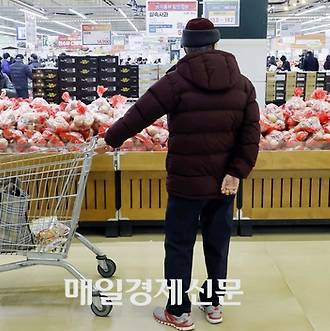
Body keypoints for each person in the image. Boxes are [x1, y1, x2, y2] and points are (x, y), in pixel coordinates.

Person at [103, 18, 259, 330]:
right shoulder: (242, 84)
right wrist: (236, 172)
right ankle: (214, 304)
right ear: (215, 45)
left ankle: (178, 311)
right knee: (218, 244)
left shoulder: (175, 81)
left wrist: (111, 139)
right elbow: (251, 135)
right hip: (223, 184)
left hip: (186, 184)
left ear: (186, 46)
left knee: (179, 245)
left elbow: (139, 114)